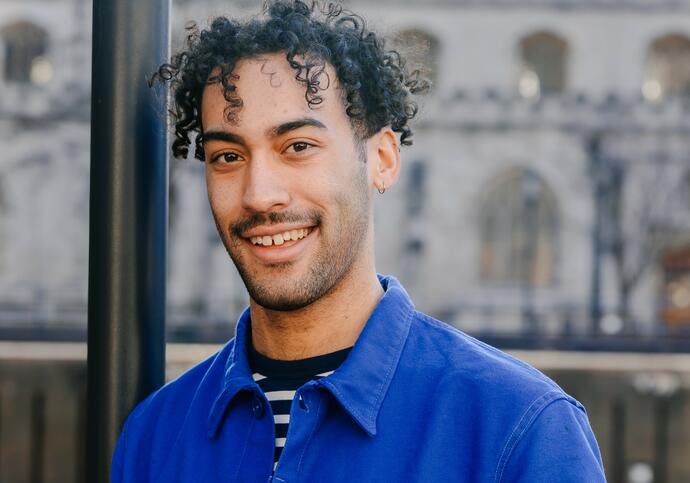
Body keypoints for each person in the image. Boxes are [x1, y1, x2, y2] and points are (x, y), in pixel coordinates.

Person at [111, 1, 606, 481]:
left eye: (298, 147)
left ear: (383, 159)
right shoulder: (154, 436)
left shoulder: (519, 428)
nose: (260, 194)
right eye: (227, 156)